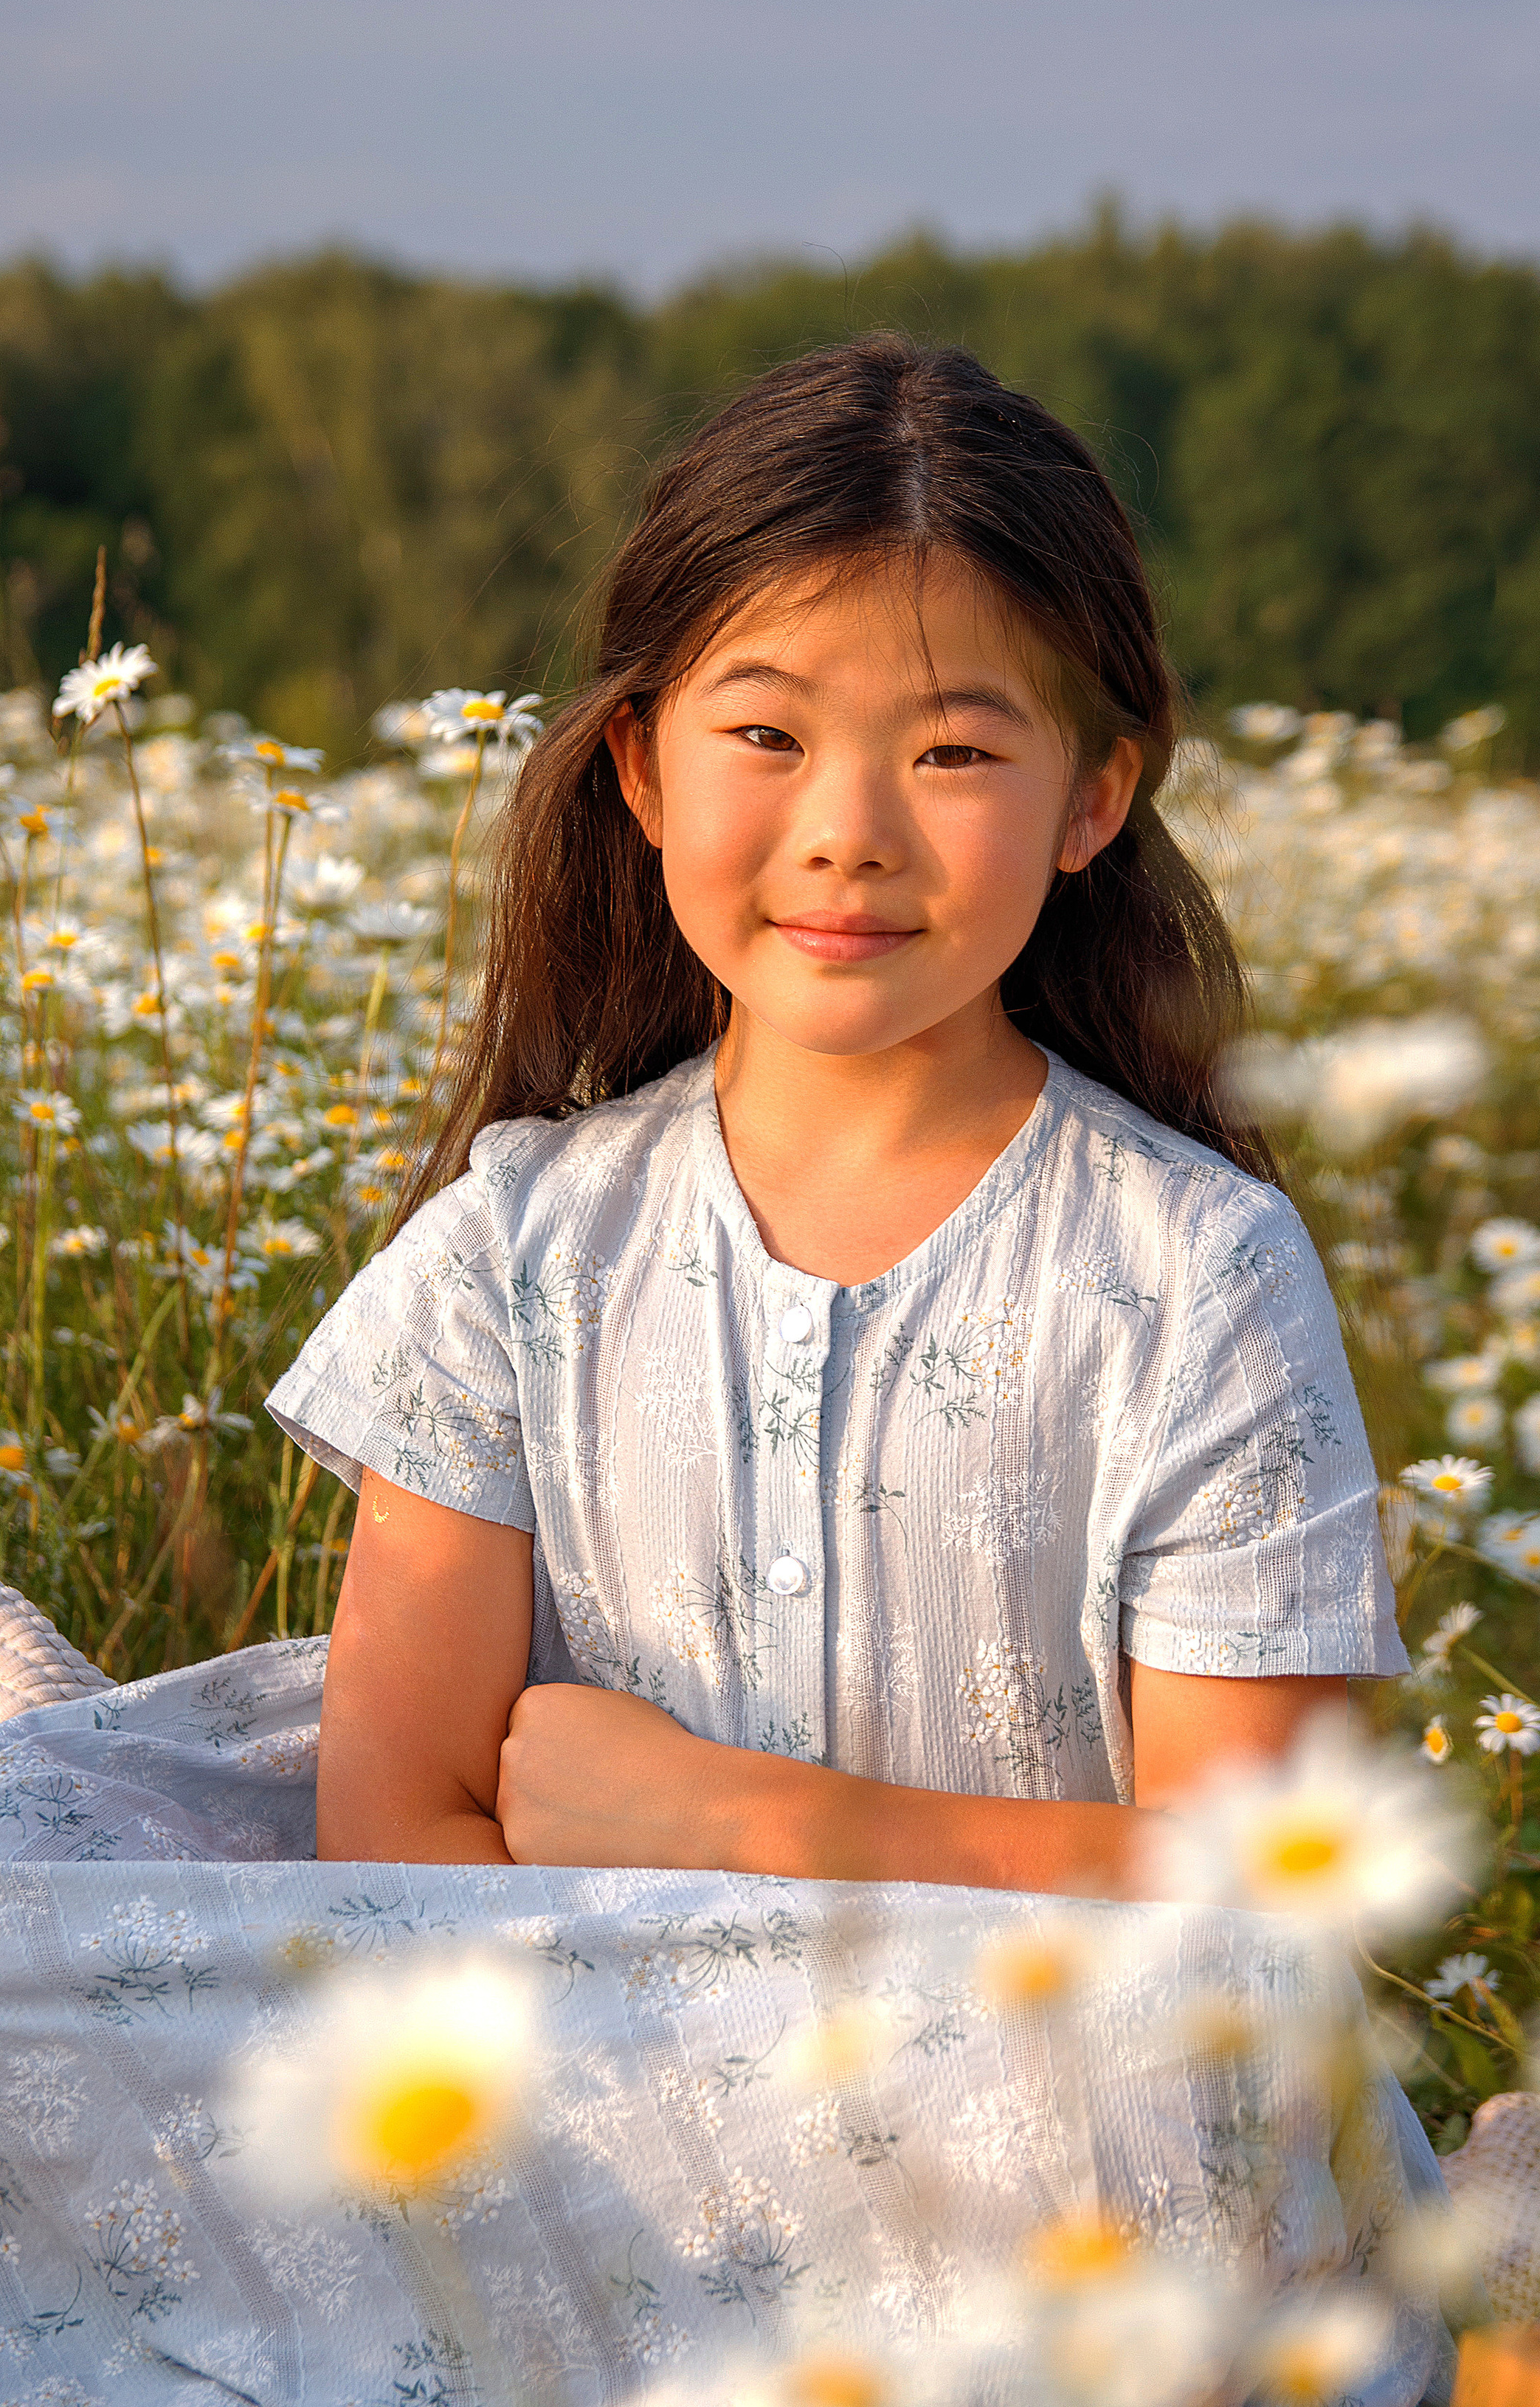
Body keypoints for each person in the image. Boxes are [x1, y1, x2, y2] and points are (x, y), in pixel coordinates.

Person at [274, 334, 1406, 1870]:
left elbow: (1259, 1887)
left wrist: (738, 1822)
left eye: (952, 750)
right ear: (641, 768)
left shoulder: (1198, 1274)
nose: (846, 833)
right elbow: (394, 1841)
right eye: (766, 736)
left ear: (1091, 797)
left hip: (1061, 2045)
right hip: (562, 2033)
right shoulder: (512, 1258)